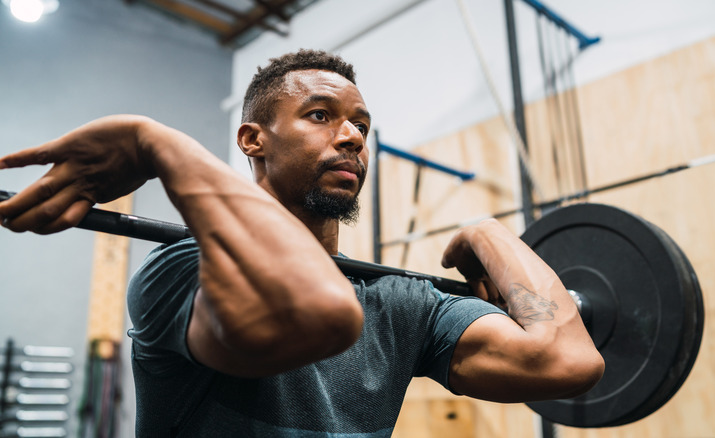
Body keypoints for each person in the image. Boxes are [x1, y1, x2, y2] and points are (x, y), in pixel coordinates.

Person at [0, 50, 604, 437]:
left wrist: (488, 231)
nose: (351, 137)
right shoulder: (183, 273)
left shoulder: (402, 302)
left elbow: (568, 360)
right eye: (320, 115)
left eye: (361, 125)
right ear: (252, 139)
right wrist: (159, 144)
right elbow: (313, 314)